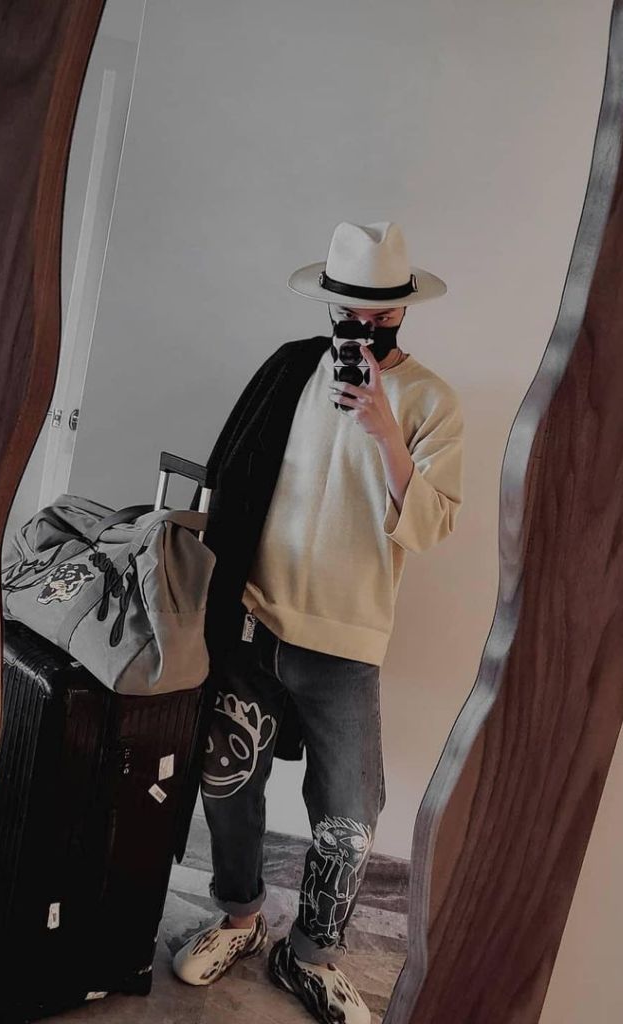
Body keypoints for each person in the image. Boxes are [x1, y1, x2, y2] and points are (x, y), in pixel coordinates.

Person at [172, 221, 465, 1024]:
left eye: (380, 313)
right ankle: (239, 918)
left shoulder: (430, 400)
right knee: (227, 778)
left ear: (403, 310)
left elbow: (434, 526)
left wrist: (385, 434)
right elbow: (233, 474)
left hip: (345, 642)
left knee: (349, 816)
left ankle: (309, 956)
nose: (363, 327)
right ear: (330, 305)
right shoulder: (289, 371)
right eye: (350, 311)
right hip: (254, 620)